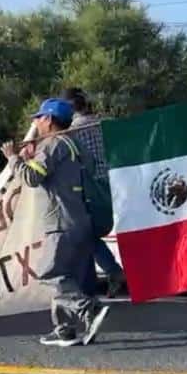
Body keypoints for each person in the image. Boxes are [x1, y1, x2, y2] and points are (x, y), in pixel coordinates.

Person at [2, 98, 109, 346]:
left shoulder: (51, 145)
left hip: (60, 221)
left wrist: (13, 159)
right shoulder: (74, 144)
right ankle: (64, 330)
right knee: (66, 277)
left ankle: (88, 309)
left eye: (38, 117)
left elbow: (31, 177)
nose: (36, 122)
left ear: (49, 120)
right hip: (81, 219)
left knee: (50, 273)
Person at [61, 87, 127, 298]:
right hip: (107, 181)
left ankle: (111, 271)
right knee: (89, 232)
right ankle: (99, 277)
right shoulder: (101, 123)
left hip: (89, 184)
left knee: (86, 232)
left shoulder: (72, 130)